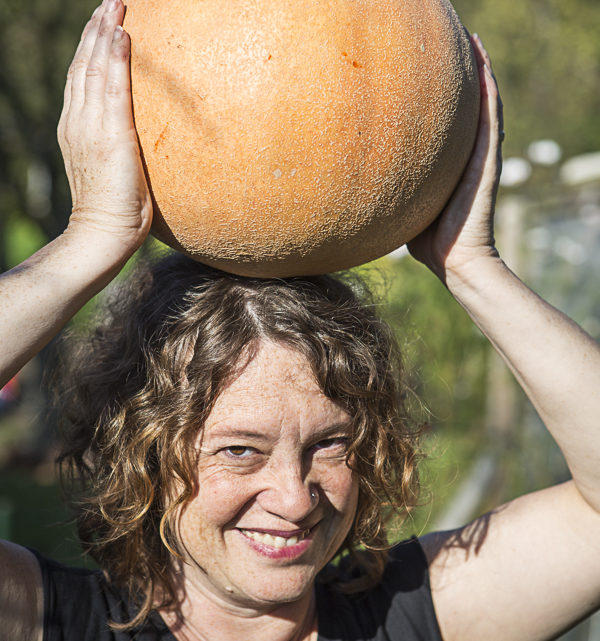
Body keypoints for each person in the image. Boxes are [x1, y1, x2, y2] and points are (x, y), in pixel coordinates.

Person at [1, 1, 599, 640]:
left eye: (330, 445)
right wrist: (90, 239)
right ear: (146, 456)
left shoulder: (409, 616)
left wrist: (474, 266)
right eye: (239, 451)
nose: (294, 498)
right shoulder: (53, 621)